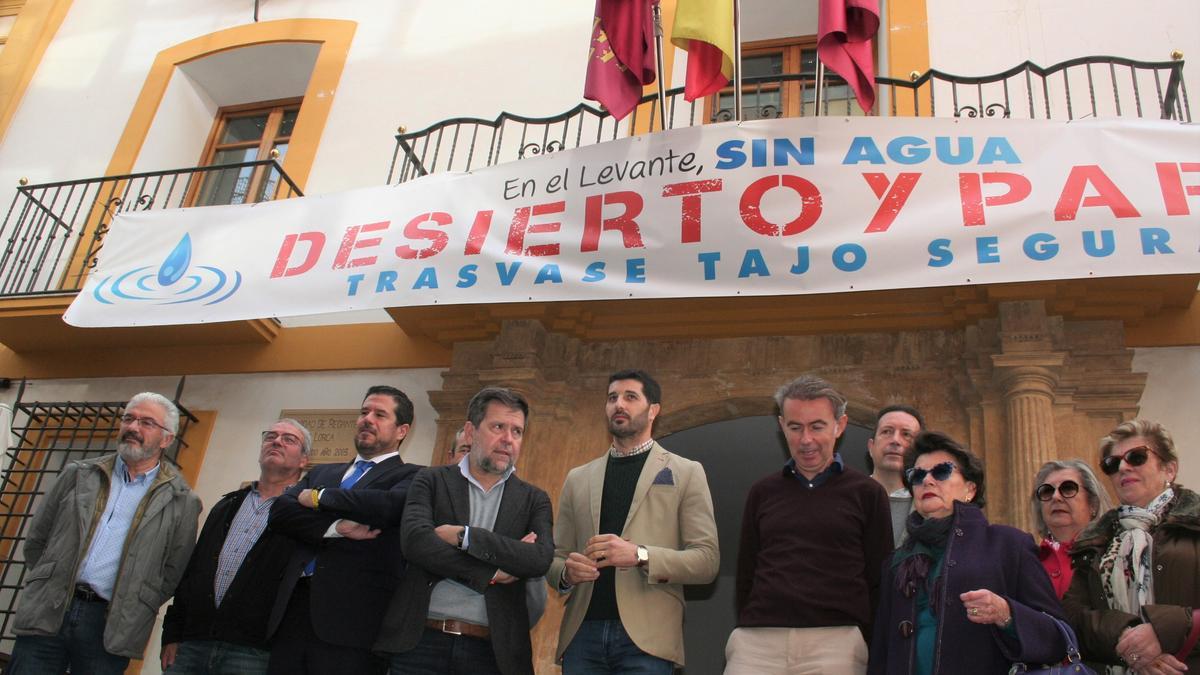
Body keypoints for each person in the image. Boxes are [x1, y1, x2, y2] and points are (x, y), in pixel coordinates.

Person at [9, 392, 202, 675]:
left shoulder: (182, 501)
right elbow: (38, 539)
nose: (133, 428)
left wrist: (134, 602)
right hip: (50, 609)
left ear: (167, 439)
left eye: (147, 422)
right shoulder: (79, 474)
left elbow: (172, 572)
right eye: (129, 419)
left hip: (111, 626)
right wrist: (50, 579)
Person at [550, 369, 719, 674]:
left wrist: (640, 555)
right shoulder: (578, 478)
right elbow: (554, 556)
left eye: (630, 397)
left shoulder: (687, 472)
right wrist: (565, 573)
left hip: (648, 640)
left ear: (653, 410)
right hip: (582, 634)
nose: (619, 405)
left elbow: (707, 561)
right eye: (612, 398)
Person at [377, 387, 553, 675]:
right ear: (471, 432)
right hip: (420, 644)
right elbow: (417, 543)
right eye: (498, 427)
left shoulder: (534, 499)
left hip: (492, 653)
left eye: (517, 431)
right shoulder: (430, 480)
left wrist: (466, 537)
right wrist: (492, 571)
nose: (508, 439)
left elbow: (539, 558)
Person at [727, 375, 892, 675]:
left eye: (817, 426)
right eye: (795, 427)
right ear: (781, 425)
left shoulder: (867, 493)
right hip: (757, 643)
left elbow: (879, 578)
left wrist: (866, 641)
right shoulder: (762, 492)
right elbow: (745, 574)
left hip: (837, 643)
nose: (806, 440)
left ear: (840, 426)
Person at [868, 431, 1070, 674]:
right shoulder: (897, 561)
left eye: (941, 471)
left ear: (970, 489)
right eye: (917, 475)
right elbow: (880, 650)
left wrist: (1007, 614)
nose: (927, 481)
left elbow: (1056, 637)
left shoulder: (1009, 545)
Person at [266, 385, 422, 675]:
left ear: (401, 430)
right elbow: (280, 513)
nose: (367, 419)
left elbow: (387, 506)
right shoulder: (323, 472)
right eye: (364, 412)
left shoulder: (413, 476)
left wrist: (318, 498)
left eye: (379, 414)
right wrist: (337, 527)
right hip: (293, 613)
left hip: (353, 625)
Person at [160, 418, 312, 674]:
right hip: (194, 643)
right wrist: (172, 634)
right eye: (271, 436)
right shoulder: (227, 505)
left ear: (304, 460)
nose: (276, 441)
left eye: (289, 439)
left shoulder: (305, 514)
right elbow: (192, 572)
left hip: (254, 653)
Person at [1063, 419, 1200, 674]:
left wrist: (1161, 632)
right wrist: (1128, 639)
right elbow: (1074, 618)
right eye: (1112, 464)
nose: (1123, 468)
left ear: (1169, 469)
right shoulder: (1094, 541)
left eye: (1136, 457)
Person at [446, 430, 548, 627]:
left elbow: (536, 581)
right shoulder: (431, 493)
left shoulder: (527, 505)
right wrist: (503, 563)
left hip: (492, 638)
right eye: (465, 449)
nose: (471, 457)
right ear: (450, 457)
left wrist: (462, 538)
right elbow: (424, 551)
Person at [1029, 459, 1111, 598]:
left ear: (1093, 504)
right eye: (1047, 491)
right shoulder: (1030, 561)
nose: (1055, 497)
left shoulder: (1113, 554)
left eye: (1068, 488)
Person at [866, 405, 925, 546]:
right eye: (886, 431)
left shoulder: (934, 508)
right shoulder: (846, 497)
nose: (895, 441)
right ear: (870, 447)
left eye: (906, 434)